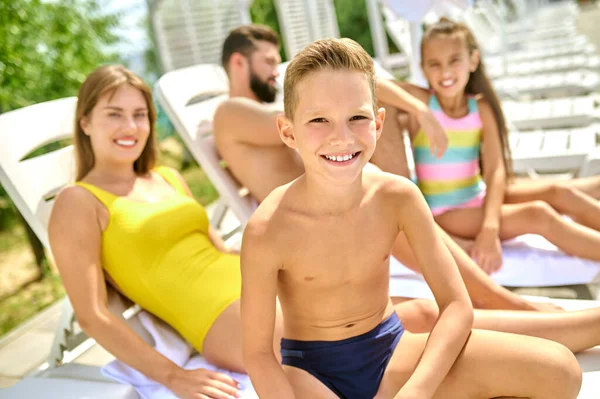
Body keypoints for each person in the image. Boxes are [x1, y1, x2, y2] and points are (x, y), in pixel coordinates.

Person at [240, 37, 582, 399]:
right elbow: (259, 355)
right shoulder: (268, 229)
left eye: (357, 117)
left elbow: (456, 306)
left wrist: (417, 390)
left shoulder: (397, 197)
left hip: (391, 352)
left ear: (379, 122)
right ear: (288, 131)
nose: (341, 137)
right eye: (319, 120)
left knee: (560, 371)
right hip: (313, 375)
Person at [214, 24, 557, 312]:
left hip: (340, 193)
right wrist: (420, 110)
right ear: (239, 63)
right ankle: (506, 303)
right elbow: (302, 123)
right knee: (386, 193)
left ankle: (495, 294)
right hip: (323, 216)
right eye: (269, 61)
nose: (277, 69)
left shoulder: (255, 116)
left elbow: (360, 87)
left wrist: (418, 110)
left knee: (382, 158)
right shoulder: (230, 113)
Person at [378, 17, 600, 274]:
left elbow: (495, 170)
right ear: (423, 69)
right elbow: (372, 84)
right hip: (446, 211)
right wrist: (420, 110)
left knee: (560, 193)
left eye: (454, 60)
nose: (445, 72)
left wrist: (489, 227)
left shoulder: (480, 108)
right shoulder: (424, 102)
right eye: (434, 64)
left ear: (473, 60)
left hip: (476, 196)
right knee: (538, 215)